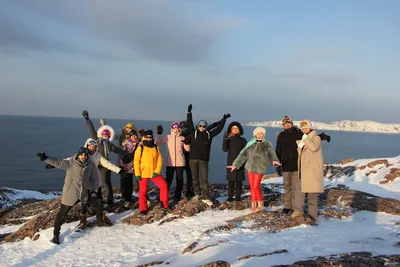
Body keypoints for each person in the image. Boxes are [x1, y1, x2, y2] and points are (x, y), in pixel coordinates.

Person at [37, 147, 103, 245]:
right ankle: (56, 235)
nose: (83, 157)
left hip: (83, 193)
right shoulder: (71, 163)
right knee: (62, 215)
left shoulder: (90, 165)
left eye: (85, 155)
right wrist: (45, 158)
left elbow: (95, 179)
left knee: (98, 202)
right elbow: (58, 163)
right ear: (78, 155)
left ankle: (99, 221)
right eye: (81, 155)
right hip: (71, 194)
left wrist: (94, 191)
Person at [276, 116, 331, 214]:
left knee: (297, 188)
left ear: (292, 123)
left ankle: (295, 207)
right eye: (285, 124)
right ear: (283, 125)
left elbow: (309, 136)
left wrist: (322, 136)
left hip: (298, 165)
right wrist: (278, 164)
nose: (287, 124)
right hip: (285, 165)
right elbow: (278, 150)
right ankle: (287, 206)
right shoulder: (281, 135)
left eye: (289, 123)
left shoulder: (299, 133)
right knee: (287, 186)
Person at [227, 127, 280, 212]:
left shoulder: (267, 144)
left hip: (259, 168)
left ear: (264, 135)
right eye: (258, 133)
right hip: (249, 167)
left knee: (256, 186)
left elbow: (271, 153)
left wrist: (274, 160)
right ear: (255, 134)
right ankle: (253, 204)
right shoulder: (251, 143)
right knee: (252, 187)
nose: (260, 135)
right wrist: (235, 165)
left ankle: (260, 204)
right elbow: (243, 155)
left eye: (261, 133)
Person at [186, 104, 230, 205]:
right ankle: (197, 194)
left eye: (204, 126)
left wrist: (224, 119)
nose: (202, 127)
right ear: (198, 126)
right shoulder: (194, 133)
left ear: (206, 127)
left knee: (204, 178)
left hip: (203, 159)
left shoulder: (209, 134)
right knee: (194, 178)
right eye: (200, 126)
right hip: (193, 158)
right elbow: (189, 123)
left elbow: (218, 129)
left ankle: (205, 196)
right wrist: (189, 113)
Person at [81, 110, 126, 207]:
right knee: (94, 183)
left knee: (106, 183)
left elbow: (118, 150)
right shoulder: (96, 140)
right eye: (104, 134)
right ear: (101, 133)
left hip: (105, 165)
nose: (105, 136)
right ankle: (97, 201)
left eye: (107, 135)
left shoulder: (109, 144)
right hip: (95, 164)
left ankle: (110, 201)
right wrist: (87, 119)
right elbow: (91, 129)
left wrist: (127, 154)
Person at [291, 120, 324, 221]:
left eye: (306, 128)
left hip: (312, 171)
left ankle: (313, 215)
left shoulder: (316, 138)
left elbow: (314, 148)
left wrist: (305, 140)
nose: (304, 130)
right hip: (304, 170)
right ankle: (298, 210)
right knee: (299, 190)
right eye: (303, 128)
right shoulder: (304, 138)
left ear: (310, 128)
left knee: (312, 194)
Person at [134, 130, 169, 214]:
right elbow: (136, 161)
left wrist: (157, 171)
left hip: (153, 172)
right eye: (147, 137)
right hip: (143, 173)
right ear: (145, 137)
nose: (149, 139)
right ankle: (143, 208)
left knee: (163, 185)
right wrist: (137, 173)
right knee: (143, 191)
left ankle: (164, 204)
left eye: (150, 137)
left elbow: (160, 160)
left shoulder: (156, 147)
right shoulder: (141, 147)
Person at [155, 122, 190, 202]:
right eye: (174, 127)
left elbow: (187, 149)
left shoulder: (182, 138)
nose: (176, 129)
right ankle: (162, 196)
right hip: (170, 162)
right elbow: (158, 142)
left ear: (179, 129)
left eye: (177, 127)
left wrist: (187, 143)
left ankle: (177, 197)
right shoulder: (168, 137)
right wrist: (159, 134)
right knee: (168, 180)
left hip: (180, 163)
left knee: (179, 180)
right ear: (172, 128)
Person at [222, 121, 247, 202]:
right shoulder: (229, 139)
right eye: (233, 128)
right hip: (231, 162)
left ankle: (238, 197)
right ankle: (230, 197)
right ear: (230, 130)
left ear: (240, 130)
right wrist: (225, 139)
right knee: (231, 181)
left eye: (236, 128)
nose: (235, 130)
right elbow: (225, 149)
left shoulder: (243, 140)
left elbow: (246, 152)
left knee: (239, 181)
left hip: (240, 163)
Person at [119, 130, 139, 206]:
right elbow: (122, 156)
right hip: (127, 167)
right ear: (130, 136)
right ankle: (127, 199)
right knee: (128, 183)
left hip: (136, 167)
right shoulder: (126, 144)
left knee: (139, 183)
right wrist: (121, 166)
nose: (134, 137)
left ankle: (143, 198)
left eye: (135, 135)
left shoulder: (139, 144)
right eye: (132, 135)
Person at [179, 120, 194, 197]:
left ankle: (189, 190)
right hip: (184, 156)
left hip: (187, 156)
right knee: (187, 175)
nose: (183, 129)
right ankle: (188, 190)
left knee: (188, 175)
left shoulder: (180, 135)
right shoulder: (191, 134)